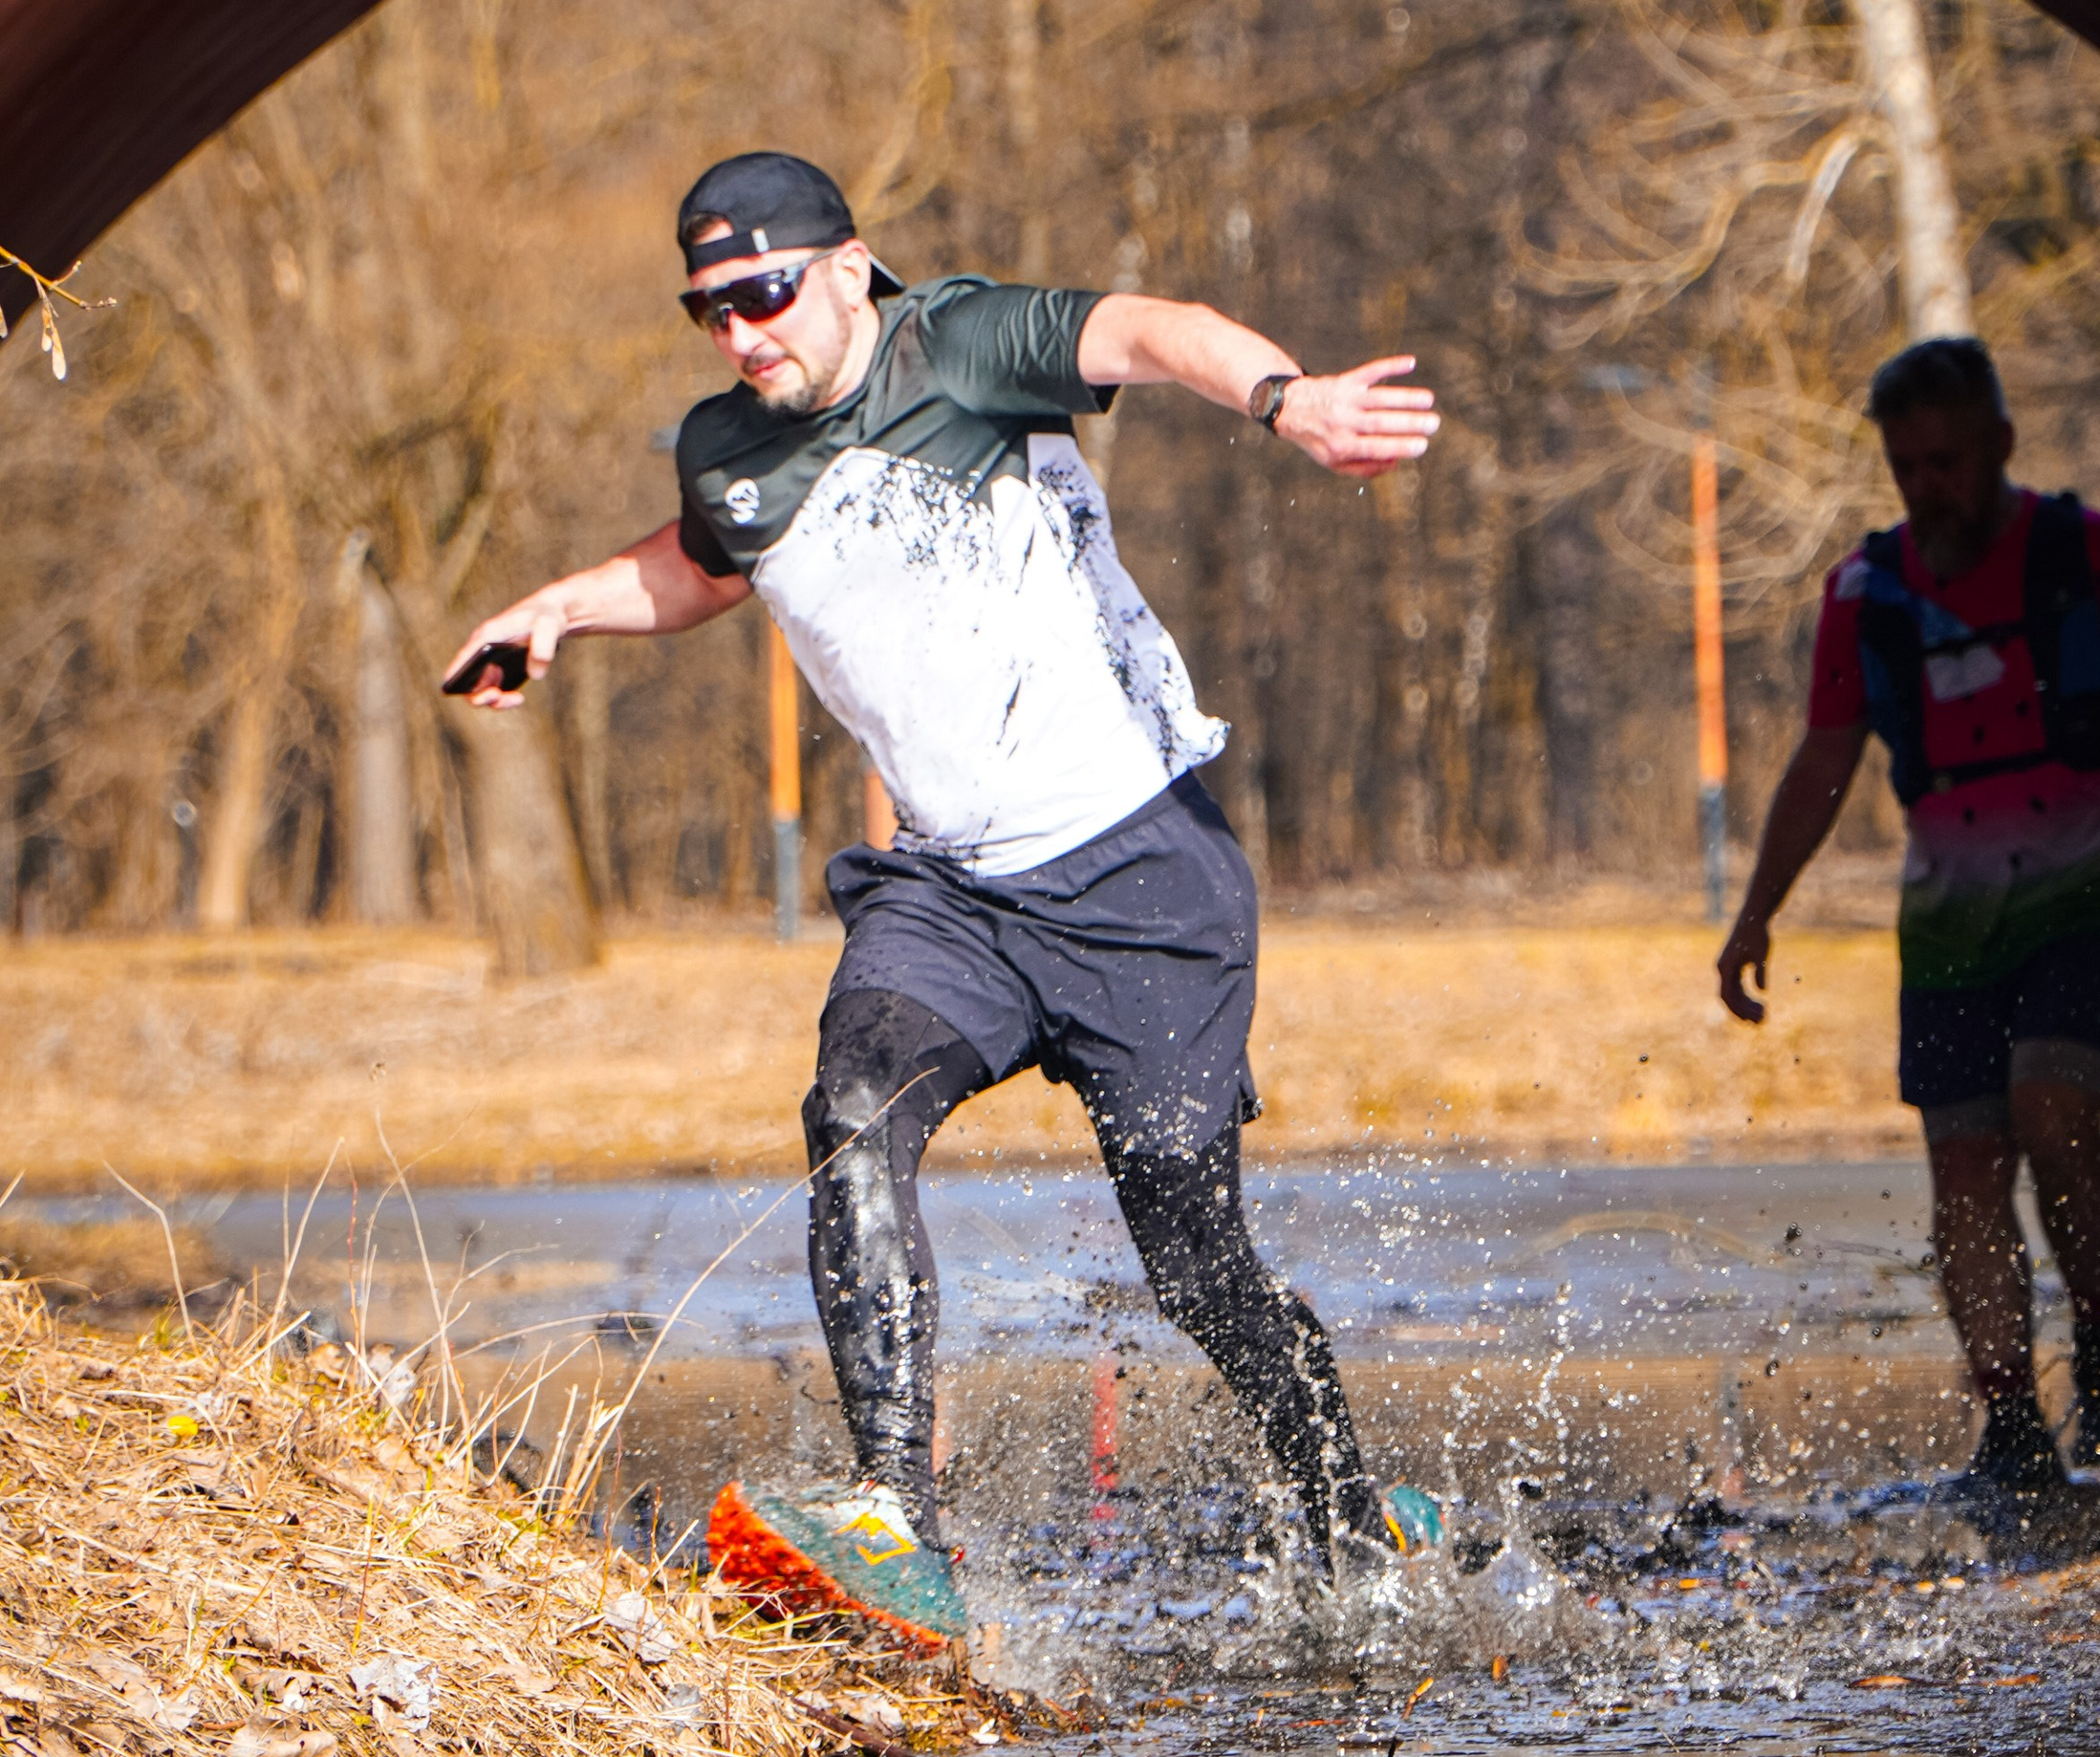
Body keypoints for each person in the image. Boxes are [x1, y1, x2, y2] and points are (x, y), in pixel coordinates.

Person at [444, 148, 1445, 1643]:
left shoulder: (963, 346)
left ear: (847, 269)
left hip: (1142, 879)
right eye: (708, 309)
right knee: (851, 1107)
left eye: (765, 296)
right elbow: (711, 563)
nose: (741, 335)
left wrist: (1284, 400)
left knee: (1190, 1257)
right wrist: (557, 611)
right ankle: (896, 1519)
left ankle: (1350, 1513)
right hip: (952, 895)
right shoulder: (729, 442)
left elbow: (1155, 330)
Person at [1715, 336, 2100, 1503]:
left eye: (1948, 461)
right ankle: (2010, 1422)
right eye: (1907, 466)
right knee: (1963, 1157)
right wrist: (1756, 912)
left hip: (2089, 868)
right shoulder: (1864, 596)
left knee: (2050, 1105)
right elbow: (1822, 760)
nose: (1928, 487)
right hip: (1952, 897)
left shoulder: (2097, 557)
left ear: (2001, 446)